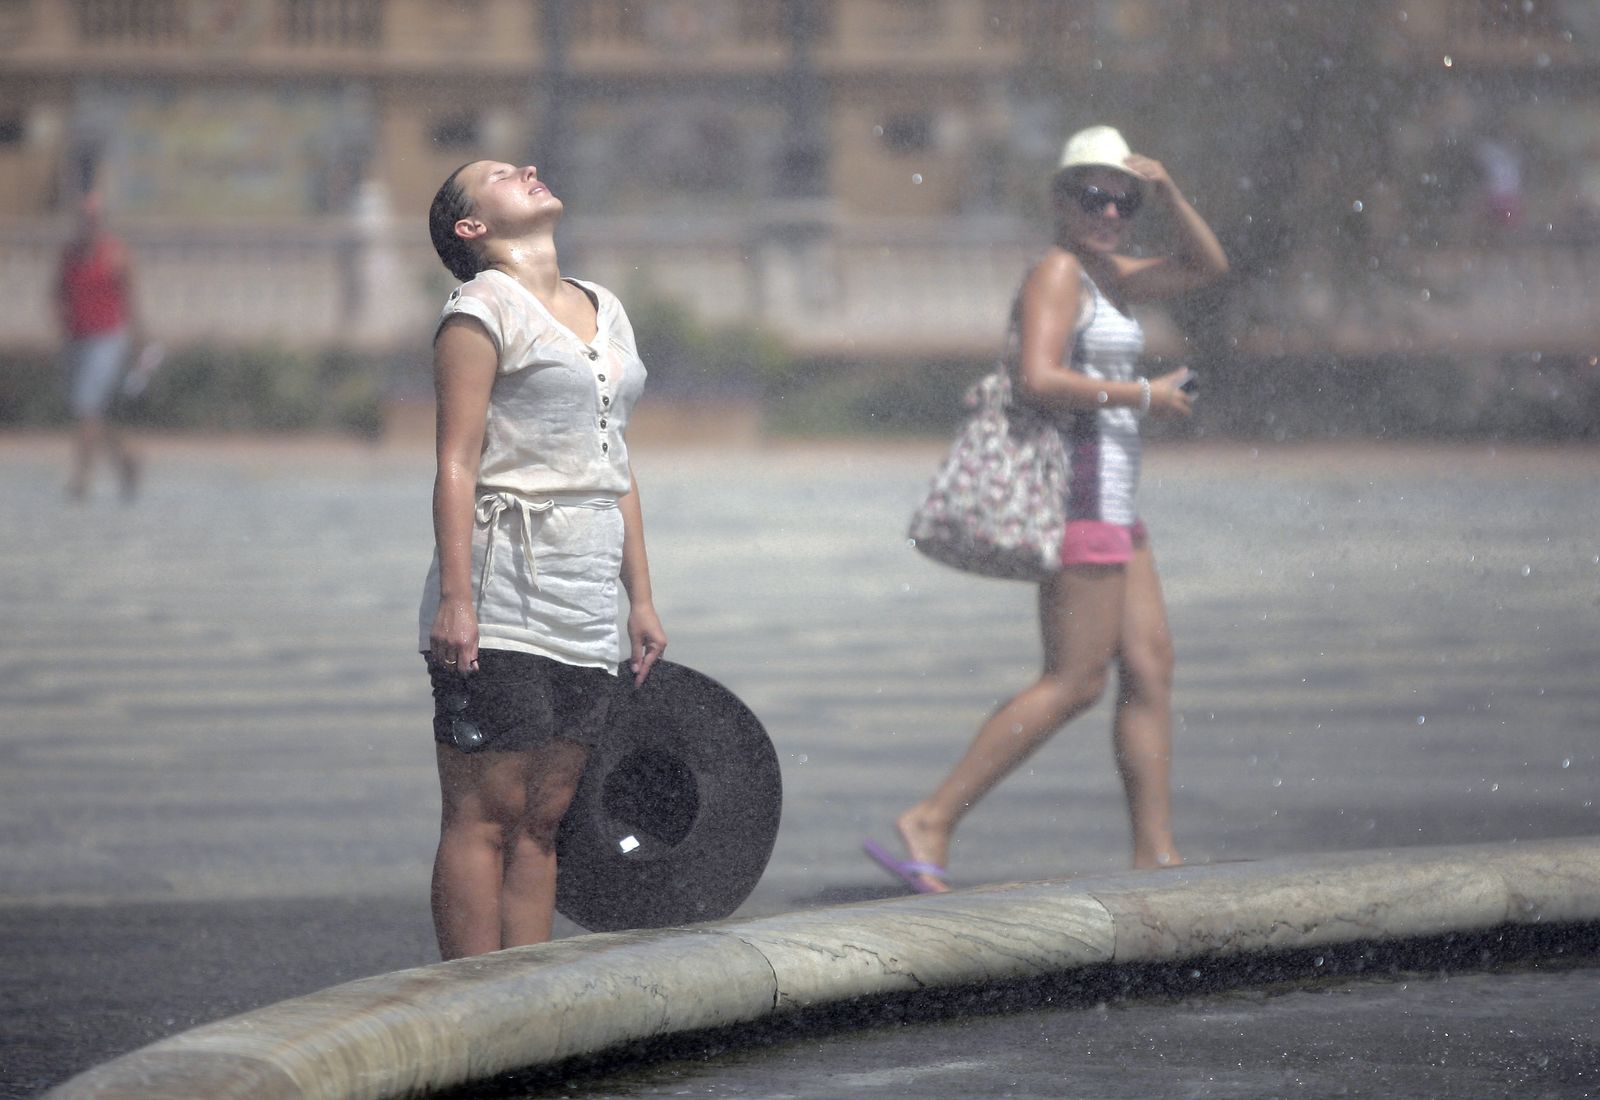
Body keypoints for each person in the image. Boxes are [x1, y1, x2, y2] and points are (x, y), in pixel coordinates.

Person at [867, 125, 1229, 893]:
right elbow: (1035, 377)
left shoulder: (1111, 276)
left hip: (1119, 504)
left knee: (1151, 667)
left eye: (1122, 201)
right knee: (1075, 679)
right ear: (1060, 202)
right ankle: (930, 818)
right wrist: (1146, 394)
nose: (1108, 212)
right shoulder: (1059, 274)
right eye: (1091, 197)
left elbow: (1207, 265)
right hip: (1078, 498)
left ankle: (1156, 855)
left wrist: (1170, 193)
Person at [421, 159, 667, 957]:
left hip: (587, 590)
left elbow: (614, 462)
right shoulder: (480, 308)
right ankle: (470, 1012)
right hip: (505, 586)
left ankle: (530, 1004)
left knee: (545, 816)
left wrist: (641, 598)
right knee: (484, 814)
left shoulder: (606, 308)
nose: (526, 169)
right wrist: (458, 599)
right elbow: (456, 461)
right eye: (497, 175)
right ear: (472, 228)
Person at [55, 191, 141, 501]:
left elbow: (131, 301)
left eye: (94, 218)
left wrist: (138, 342)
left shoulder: (116, 254)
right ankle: (124, 463)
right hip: (77, 338)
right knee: (90, 412)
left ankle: (82, 478)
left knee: (86, 406)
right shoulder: (70, 254)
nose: (88, 224)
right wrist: (61, 327)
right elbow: (58, 292)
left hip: (108, 339)